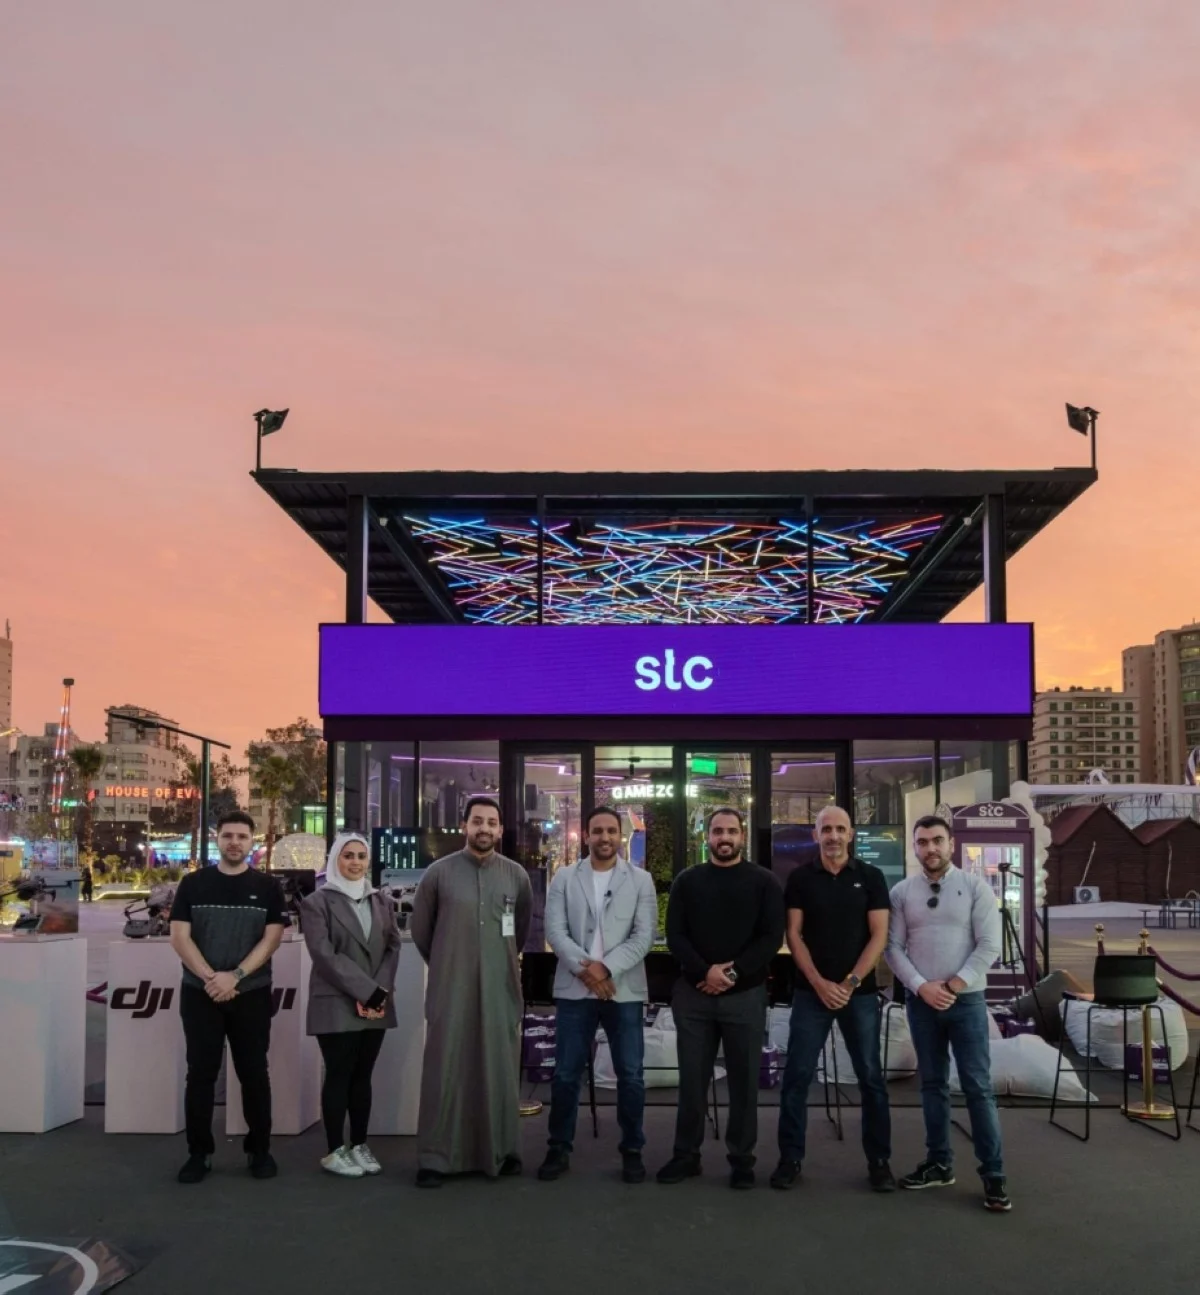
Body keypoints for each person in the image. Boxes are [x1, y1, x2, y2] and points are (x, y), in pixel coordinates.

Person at [886, 814, 1009, 1212]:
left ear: (951, 844)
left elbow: (990, 945)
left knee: (978, 1087)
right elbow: (893, 948)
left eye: (937, 840)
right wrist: (921, 986)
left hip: (966, 1001)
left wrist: (954, 985)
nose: (930, 848)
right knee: (932, 1084)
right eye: (922, 842)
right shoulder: (902, 892)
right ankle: (939, 1163)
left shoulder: (975, 887)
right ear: (914, 847)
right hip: (922, 1003)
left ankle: (994, 1175)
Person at [657, 808, 785, 1190]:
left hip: (745, 997)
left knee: (744, 1084)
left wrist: (732, 973)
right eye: (717, 831)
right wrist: (704, 972)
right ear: (707, 836)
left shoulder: (764, 882)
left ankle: (742, 1160)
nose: (724, 837)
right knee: (692, 1083)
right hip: (693, 997)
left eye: (731, 831)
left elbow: (771, 937)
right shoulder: (688, 881)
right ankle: (686, 1155)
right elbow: (675, 935)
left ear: (742, 836)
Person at [409, 796, 532, 1188]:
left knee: (498, 1068)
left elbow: (520, 931)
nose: (484, 828)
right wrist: (450, 962)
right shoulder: (438, 874)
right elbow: (421, 932)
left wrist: (495, 961)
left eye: (491, 822)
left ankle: (500, 1152)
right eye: (477, 821)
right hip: (451, 987)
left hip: (499, 987)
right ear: (465, 826)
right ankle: (436, 1158)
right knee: (446, 1067)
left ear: (500, 830)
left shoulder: (516, 876)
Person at [772, 804, 894, 1192]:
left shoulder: (871, 877)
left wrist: (851, 982)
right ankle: (790, 1158)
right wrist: (820, 983)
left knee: (870, 1078)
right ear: (816, 835)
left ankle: (879, 1162)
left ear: (851, 834)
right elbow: (793, 935)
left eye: (840, 829)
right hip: (811, 994)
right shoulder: (800, 879)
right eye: (826, 829)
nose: (833, 836)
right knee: (797, 1076)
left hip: (859, 995)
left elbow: (879, 935)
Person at [538, 806, 657, 1184]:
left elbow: (644, 936)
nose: (605, 837)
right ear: (586, 835)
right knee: (565, 1074)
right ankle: (558, 1147)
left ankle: (632, 1150)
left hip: (623, 989)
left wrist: (605, 969)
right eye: (597, 831)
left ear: (621, 836)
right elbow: (555, 931)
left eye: (611, 830)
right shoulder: (564, 877)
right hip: (575, 990)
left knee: (631, 1076)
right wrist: (586, 971)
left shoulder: (641, 880)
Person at [168, 810, 285, 1184]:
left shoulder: (268, 887)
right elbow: (179, 937)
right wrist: (211, 978)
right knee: (200, 1074)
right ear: (217, 839)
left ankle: (259, 1150)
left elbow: (272, 939)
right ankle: (198, 1153)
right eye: (228, 836)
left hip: (250, 993)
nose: (235, 842)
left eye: (242, 836)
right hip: (200, 994)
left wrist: (234, 976)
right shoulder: (193, 884)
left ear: (252, 842)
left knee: (254, 1074)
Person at [301, 832, 401, 1179]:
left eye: (361, 856)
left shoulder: (382, 901)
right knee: (339, 1074)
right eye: (348, 856)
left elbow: (392, 947)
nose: (355, 862)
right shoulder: (316, 903)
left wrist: (379, 991)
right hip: (336, 1000)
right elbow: (324, 955)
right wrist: (366, 991)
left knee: (362, 1076)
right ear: (335, 860)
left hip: (376, 1001)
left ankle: (359, 1144)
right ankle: (334, 1150)